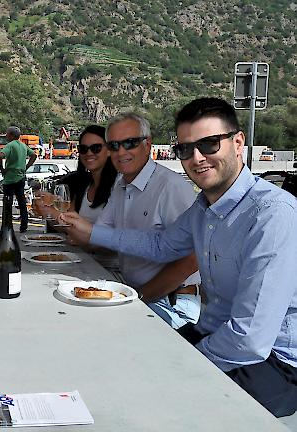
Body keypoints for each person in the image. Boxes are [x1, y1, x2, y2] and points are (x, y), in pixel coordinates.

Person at [61, 98, 297, 417]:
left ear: (238, 143)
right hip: (211, 334)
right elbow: (161, 245)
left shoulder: (272, 214)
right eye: (186, 149)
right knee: (113, 357)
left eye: (209, 144)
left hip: (272, 364)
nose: (197, 158)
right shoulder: (203, 207)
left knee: (151, 401)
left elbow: (250, 339)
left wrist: (182, 363)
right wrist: (91, 231)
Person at [66, 113, 202, 329]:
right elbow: (96, 237)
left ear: (147, 145)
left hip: (172, 301)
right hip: (133, 291)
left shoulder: (170, 186)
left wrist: (140, 297)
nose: (121, 152)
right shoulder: (120, 186)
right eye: (114, 145)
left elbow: (191, 260)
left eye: (130, 143)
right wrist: (59, 216)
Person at [32, 125, 119, 270]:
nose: (89, 153)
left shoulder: (119, 187)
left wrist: (54, 213)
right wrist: (47, 210)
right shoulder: (84, 185)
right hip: (82, 263)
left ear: (109, 150)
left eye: (96, 148)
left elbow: (113, 243)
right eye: (83, 149)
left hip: (110, 271)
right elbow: (66, 228)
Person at [0, 126, 37, 233]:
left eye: (7, 134)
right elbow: (33, 155)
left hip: (10, 178)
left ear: (11, 135)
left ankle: (7, 225)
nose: (6, 135)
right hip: (21, 177)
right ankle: (24, 225)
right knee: (22, 201)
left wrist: (3, 169)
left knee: (7, 202)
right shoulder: (23, 146)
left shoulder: (10, 145)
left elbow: (0, 156)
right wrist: (26, 167)